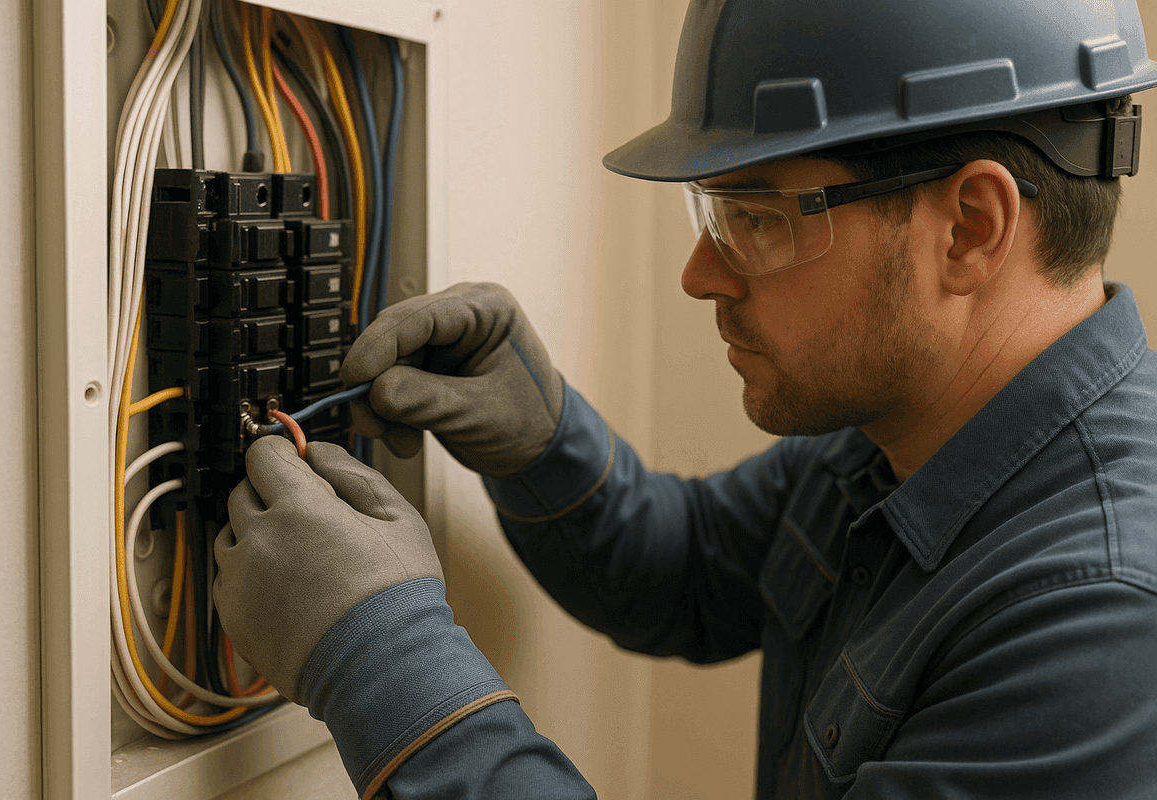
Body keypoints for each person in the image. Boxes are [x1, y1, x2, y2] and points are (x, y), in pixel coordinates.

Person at [213, 0, 1157, 797]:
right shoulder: (901, 430)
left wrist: (381, 661)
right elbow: (693, 571)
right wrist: (545, 443)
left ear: (968, 228)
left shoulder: (1100, 628)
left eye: (755, 218)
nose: (700, 276)